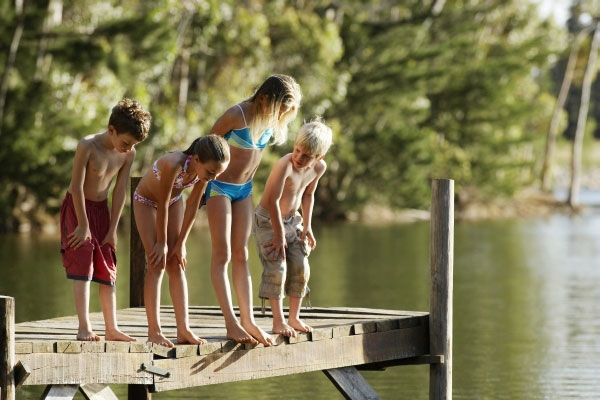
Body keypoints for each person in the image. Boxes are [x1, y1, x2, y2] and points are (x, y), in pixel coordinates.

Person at [206, 74, 302, 345]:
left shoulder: (269, 122)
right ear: (264, 99)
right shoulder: (235, 115)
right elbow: (205, 148)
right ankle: (231, 323)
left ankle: (247, 320)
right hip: (220, 188)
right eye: (280, 110)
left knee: (241, 254)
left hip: (244, 190)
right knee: (222, 253)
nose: (281, 117)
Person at [60, 98, 151, 342]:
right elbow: (77, 187)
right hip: (77, 209)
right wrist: (82, 224)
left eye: (132, 145)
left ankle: (112, 328)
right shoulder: (87, 146)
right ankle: (84, 327)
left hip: (102, 210)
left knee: (107, 267)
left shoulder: (128, 154)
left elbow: (120, 190)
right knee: (83, 265)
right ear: (112, 130)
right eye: (125, 142)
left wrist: (113, 229)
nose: (128, 148)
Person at [134, 135, 230, 347]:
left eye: (218, 174)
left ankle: (183, 329)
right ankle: (154, 331)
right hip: (147, 202)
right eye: (211, 172)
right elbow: (162, 201)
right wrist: (161, 242)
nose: (213, 178)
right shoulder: (174, 164)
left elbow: (193, 204)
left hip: (175, 202)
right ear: (196, 160)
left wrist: (181, 244)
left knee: (176, 264)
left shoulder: (204, 176)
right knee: (156, 263)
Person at [253, 119, 332, 337]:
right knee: (277, 267)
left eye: (306, 155)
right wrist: (278, 235)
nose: (299, 157)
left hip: (292, 221)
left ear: (319, 157)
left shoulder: (319, 168)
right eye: (297, 150)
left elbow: (308, 194)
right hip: (269, 221)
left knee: (300, 265)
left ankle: (294, 317)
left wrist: (307, 226)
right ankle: (278, 321)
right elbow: (273, 202)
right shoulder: (285, 165)